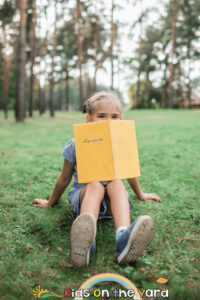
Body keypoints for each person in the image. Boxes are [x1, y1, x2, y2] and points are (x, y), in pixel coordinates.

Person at [33, 91, 161, 267]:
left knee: (116, 183)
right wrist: (50, 202)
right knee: (95, 185)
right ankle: (86, 241)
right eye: (101, 116)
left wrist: (140, 194)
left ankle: (123, 237)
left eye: (115, 116)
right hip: (85, 196)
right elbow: (64, 178)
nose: (108, 120)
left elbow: (129, 172)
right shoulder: (76, 144)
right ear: (89, 118)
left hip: (111, 204)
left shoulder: (121, 143)